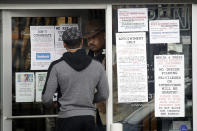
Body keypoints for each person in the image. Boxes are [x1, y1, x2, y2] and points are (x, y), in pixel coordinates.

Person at [42, 27, 109, 131]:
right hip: (89, 119)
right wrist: (88, 98)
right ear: (82, 42)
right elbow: (104, 94)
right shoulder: (97, 66)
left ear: (64, 44)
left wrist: (56, 103)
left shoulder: (57, 66)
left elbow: (46, 99)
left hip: (66, 120)